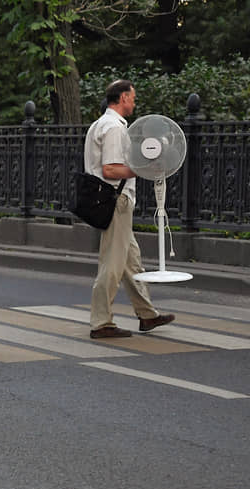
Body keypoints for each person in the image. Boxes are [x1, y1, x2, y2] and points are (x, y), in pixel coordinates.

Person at [84, 80, 174, 338]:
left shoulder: (100, 124)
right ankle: (101, 322)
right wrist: (144, 170)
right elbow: (110, 169)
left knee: (131, 262)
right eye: (132, 98)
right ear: (123, 98)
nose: (134, 103)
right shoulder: (114, 128)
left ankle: (147, 315)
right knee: (112, 264)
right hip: (117, 200)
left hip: (112, 199)